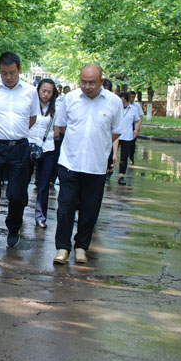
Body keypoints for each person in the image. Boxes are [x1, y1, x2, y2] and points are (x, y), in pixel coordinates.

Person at [53, 63, 122, 265]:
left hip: (96, 165)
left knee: (90, 209)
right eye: (83, 82)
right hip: (70, 162)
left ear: (101, 82)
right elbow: (61, 125)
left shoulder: (114, 102)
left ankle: (81, 246)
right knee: (65, 207)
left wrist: (98, 144)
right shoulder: (70, 98)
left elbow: (116, 131)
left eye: (92, 83)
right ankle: (62, 248)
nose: (87, 86)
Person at [0, 52, 40, 255]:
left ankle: (13, 228)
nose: (8, 77)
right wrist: (1, 131)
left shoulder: (30, 92)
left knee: (17, 196)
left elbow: (32, 118)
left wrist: (15, 133)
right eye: (4, 73)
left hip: (20, 149)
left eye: (12, 72)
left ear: (19, 70)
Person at [28, 79, 58, 229]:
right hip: (29, 146)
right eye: (43, 91)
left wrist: (47, 138)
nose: (45, 94)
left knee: (44, 183)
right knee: (22, 180)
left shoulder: (56, 109)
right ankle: (18, 211)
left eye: (49, 92)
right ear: (38, 90)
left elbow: (58, 129)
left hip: (47, 148)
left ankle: (40, 216)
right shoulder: (30, 104)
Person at [117, 92, 142, 185]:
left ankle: (121, 176)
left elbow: (137, 120)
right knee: (110, 154)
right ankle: (109, 170)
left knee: (124, 157)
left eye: (123, 101)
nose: (121, 103)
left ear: (127, 100)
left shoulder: (133, 109)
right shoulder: (115, 108)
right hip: (115, 135)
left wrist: (136, 130)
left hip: (127, 136)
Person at [128, 91, 144, 163]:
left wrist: (138, 128)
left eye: (133, 97)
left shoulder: (136, 106)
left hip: (133, 126)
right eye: (130, 97)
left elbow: (140, 116)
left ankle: (131, 157)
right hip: (125, 126)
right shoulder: (123, 104)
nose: (132, 99)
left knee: (132, 143)